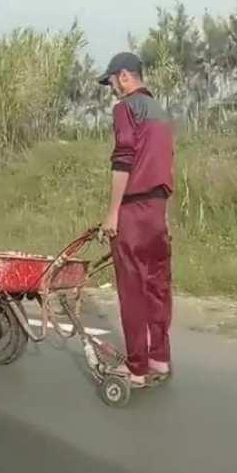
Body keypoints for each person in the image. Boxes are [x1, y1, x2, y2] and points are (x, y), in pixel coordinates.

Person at [99, 52, 174, 388]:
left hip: (133, 209)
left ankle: (136, 369)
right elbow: (164, 166)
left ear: (125, 76)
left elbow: (123, 160)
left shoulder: (126, 108)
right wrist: (164, 216)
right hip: (157, 211)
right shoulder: (161, 113)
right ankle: (159, 359)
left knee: (132, 290)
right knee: (157, 286)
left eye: (112, 81)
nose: (112, 88)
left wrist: (113, 211)